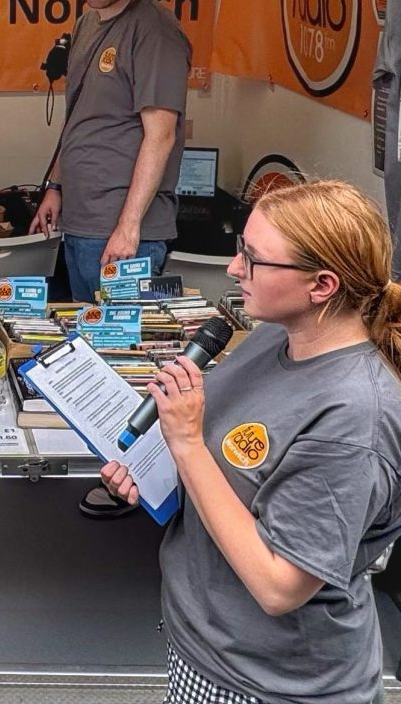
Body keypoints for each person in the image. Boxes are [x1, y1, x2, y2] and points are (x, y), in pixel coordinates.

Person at [103, 179, 401, 704]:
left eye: (253, 258)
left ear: (323, 285)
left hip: (272, 683)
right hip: (207, 646)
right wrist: (158, 469)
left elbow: (279, 586)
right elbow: (236, 472)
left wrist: (188, 444)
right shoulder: (271, 338)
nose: (233, 268)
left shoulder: (355, 419)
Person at [30, 0, 192, 302]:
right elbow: (81, 121)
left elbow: (161, 135)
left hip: (122, 235)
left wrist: (128, 227)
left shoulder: (154, 31)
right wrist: (56, 187)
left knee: (121, 354)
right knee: (87, 347)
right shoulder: (88, 23)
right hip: (83, 223)